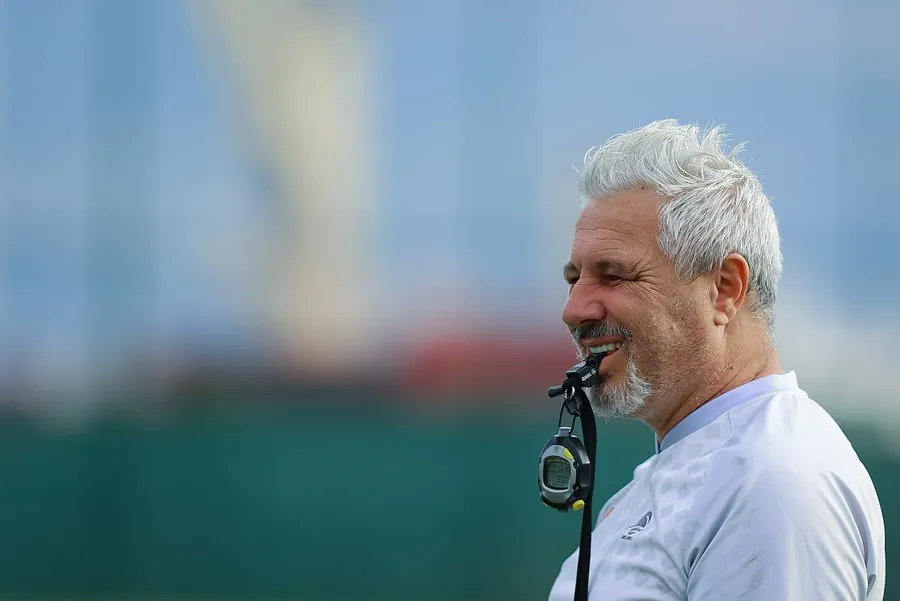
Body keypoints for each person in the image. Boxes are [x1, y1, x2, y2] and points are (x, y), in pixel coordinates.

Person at [548, 119, 885, 600]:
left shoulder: (771, 479)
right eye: (574, 279)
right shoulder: (716, 466)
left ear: (725, 289)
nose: (574, 309)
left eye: (614, 276)